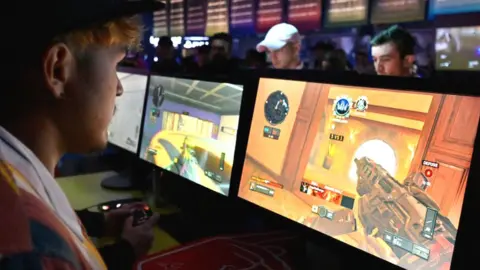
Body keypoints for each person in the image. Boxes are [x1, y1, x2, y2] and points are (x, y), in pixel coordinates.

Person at [0, 0, 162, 269]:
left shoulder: (15, 177)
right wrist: (126, 254)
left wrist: (99, 223)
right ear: (58, 70)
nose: (119, 88)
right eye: (115, 66)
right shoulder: (33, 252)